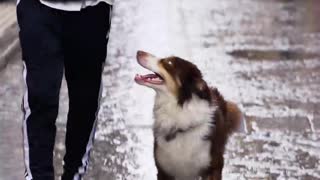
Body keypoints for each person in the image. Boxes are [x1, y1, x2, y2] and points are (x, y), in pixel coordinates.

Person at [16, 0, 113, 179]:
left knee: (85, 101)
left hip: (91, 9)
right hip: (37, 7)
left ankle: (74, 174)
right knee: (40, 97)